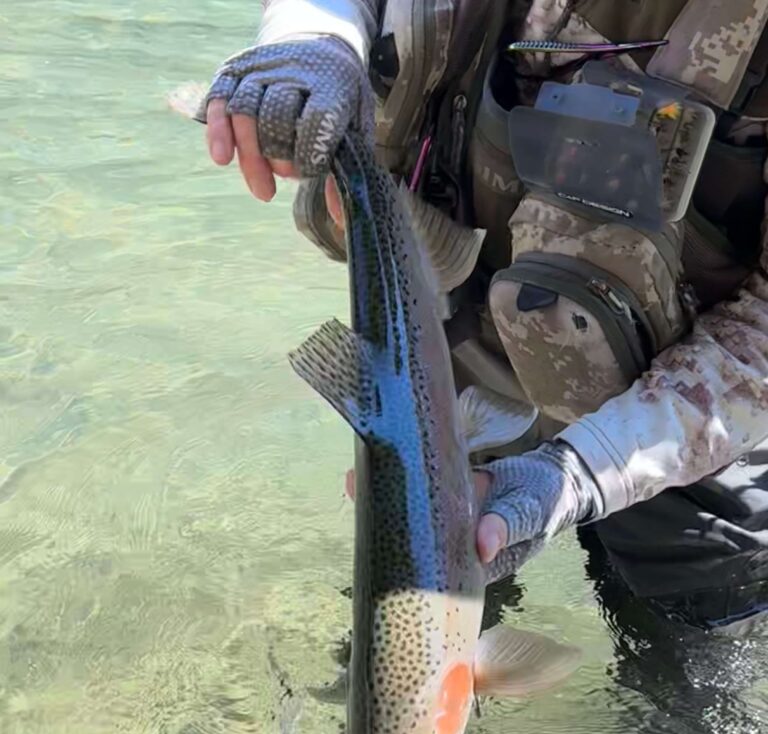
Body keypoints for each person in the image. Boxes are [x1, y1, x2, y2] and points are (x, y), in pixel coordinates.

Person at [195, 0, 768, 632]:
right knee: (403, 648)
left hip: (689, 416)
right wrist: (310, 39)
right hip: (448, 362)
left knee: (685, 695)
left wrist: (580, 473)